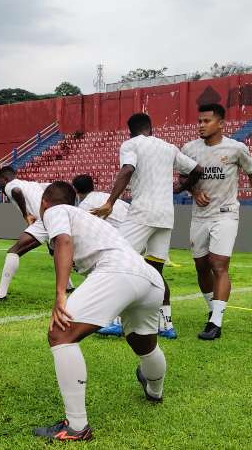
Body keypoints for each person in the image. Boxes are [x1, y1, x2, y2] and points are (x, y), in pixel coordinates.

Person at [32, 182, 167, 442]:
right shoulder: (88, 218)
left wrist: (61, 293)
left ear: (44, 203)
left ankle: (76, 427)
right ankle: (154, 391)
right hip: (150, 279)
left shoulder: (53, 210)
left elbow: (63, 240)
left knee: (60, 334)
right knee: (144, 343)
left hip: (117, 271)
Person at [92, 113, 202, 339]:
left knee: (118, 260)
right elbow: (197, 170)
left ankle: (115, 321)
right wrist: (180, 188)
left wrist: (110, 203)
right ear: (151, 128)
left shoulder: (131, 144)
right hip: (165, 217)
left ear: (129, 131)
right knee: (155, 272)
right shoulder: (168, 147)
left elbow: (127, 169)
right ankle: (166, 325)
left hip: (142, 213)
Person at [181, 103, 252, 340]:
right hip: (199, 216)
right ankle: (212, 310)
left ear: (220, 123)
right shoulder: (189, 149)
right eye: (199, 121)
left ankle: (216, 323)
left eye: (206, 121)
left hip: (226, 213)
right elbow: (183, 180)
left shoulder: (236, 148)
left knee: (219, 264)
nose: (201, 125)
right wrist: (195, 193)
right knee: (201, 266)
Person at [72, 174, 130, 336]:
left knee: (111, 277)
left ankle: (116, 321)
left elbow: (83, 234)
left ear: (75, 190)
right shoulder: (107, 196)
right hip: (139, 233)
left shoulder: (85, 206)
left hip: (126, 241)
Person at [0, 167, 49, 302]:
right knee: (55, 251)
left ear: (5, 178)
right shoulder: (32, 184)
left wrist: (26, 215)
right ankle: (69, 287)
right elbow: (51, 186)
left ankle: (0, 295)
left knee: (13, 251)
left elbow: (16, 191)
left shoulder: (10, 185)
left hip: (42, 221)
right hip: (54, 218)